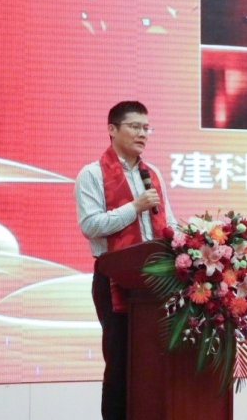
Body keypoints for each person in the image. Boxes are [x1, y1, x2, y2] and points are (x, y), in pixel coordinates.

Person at [75, 100, 177, 420]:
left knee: (154, 363)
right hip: (114, 281)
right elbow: (90, 225)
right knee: (119, 365)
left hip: (155, 283)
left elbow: (169, 223)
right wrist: (134, 207)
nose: (142, 133)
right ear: (112, 129)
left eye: (146, 128)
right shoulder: (92, 174)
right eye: (134, 126)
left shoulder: (152, 174)